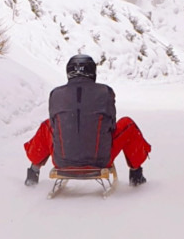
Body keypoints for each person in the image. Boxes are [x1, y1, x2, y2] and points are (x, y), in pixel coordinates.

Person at [23, 54, 151, 187]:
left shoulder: (56, 94)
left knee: (47, 126)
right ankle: (136, 175)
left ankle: (33, 171)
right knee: (127, 124)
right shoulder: (105, 92)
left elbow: (54, 124)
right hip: (100, 160)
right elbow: (111, 125)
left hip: (61, 160)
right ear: (92, 72)